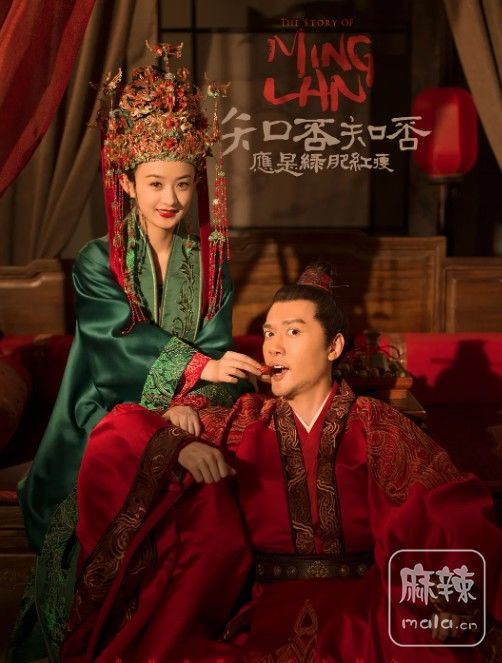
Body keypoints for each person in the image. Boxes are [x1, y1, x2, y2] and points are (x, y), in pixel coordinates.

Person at [56, 262, 501, 663]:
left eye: (293, 332)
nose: (274, 347)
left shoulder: (375, 424)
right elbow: (118, 432)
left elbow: (446, 507)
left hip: (365, 607)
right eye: (269, 334)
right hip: (261, 611)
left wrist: (449, 601)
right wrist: (174, 442)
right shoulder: (243, 422)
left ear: (333, 346)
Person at [8, 42, 262, 663]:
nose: (169, 198)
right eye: (154, 183)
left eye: (182, 183)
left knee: (213, 523)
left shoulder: (211, 266)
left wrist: (194, 403)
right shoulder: (99, 261)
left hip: (188, 417)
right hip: (100, 415)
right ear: (126, 182)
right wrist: (196, 370)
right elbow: (112, 347)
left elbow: (221, 359)